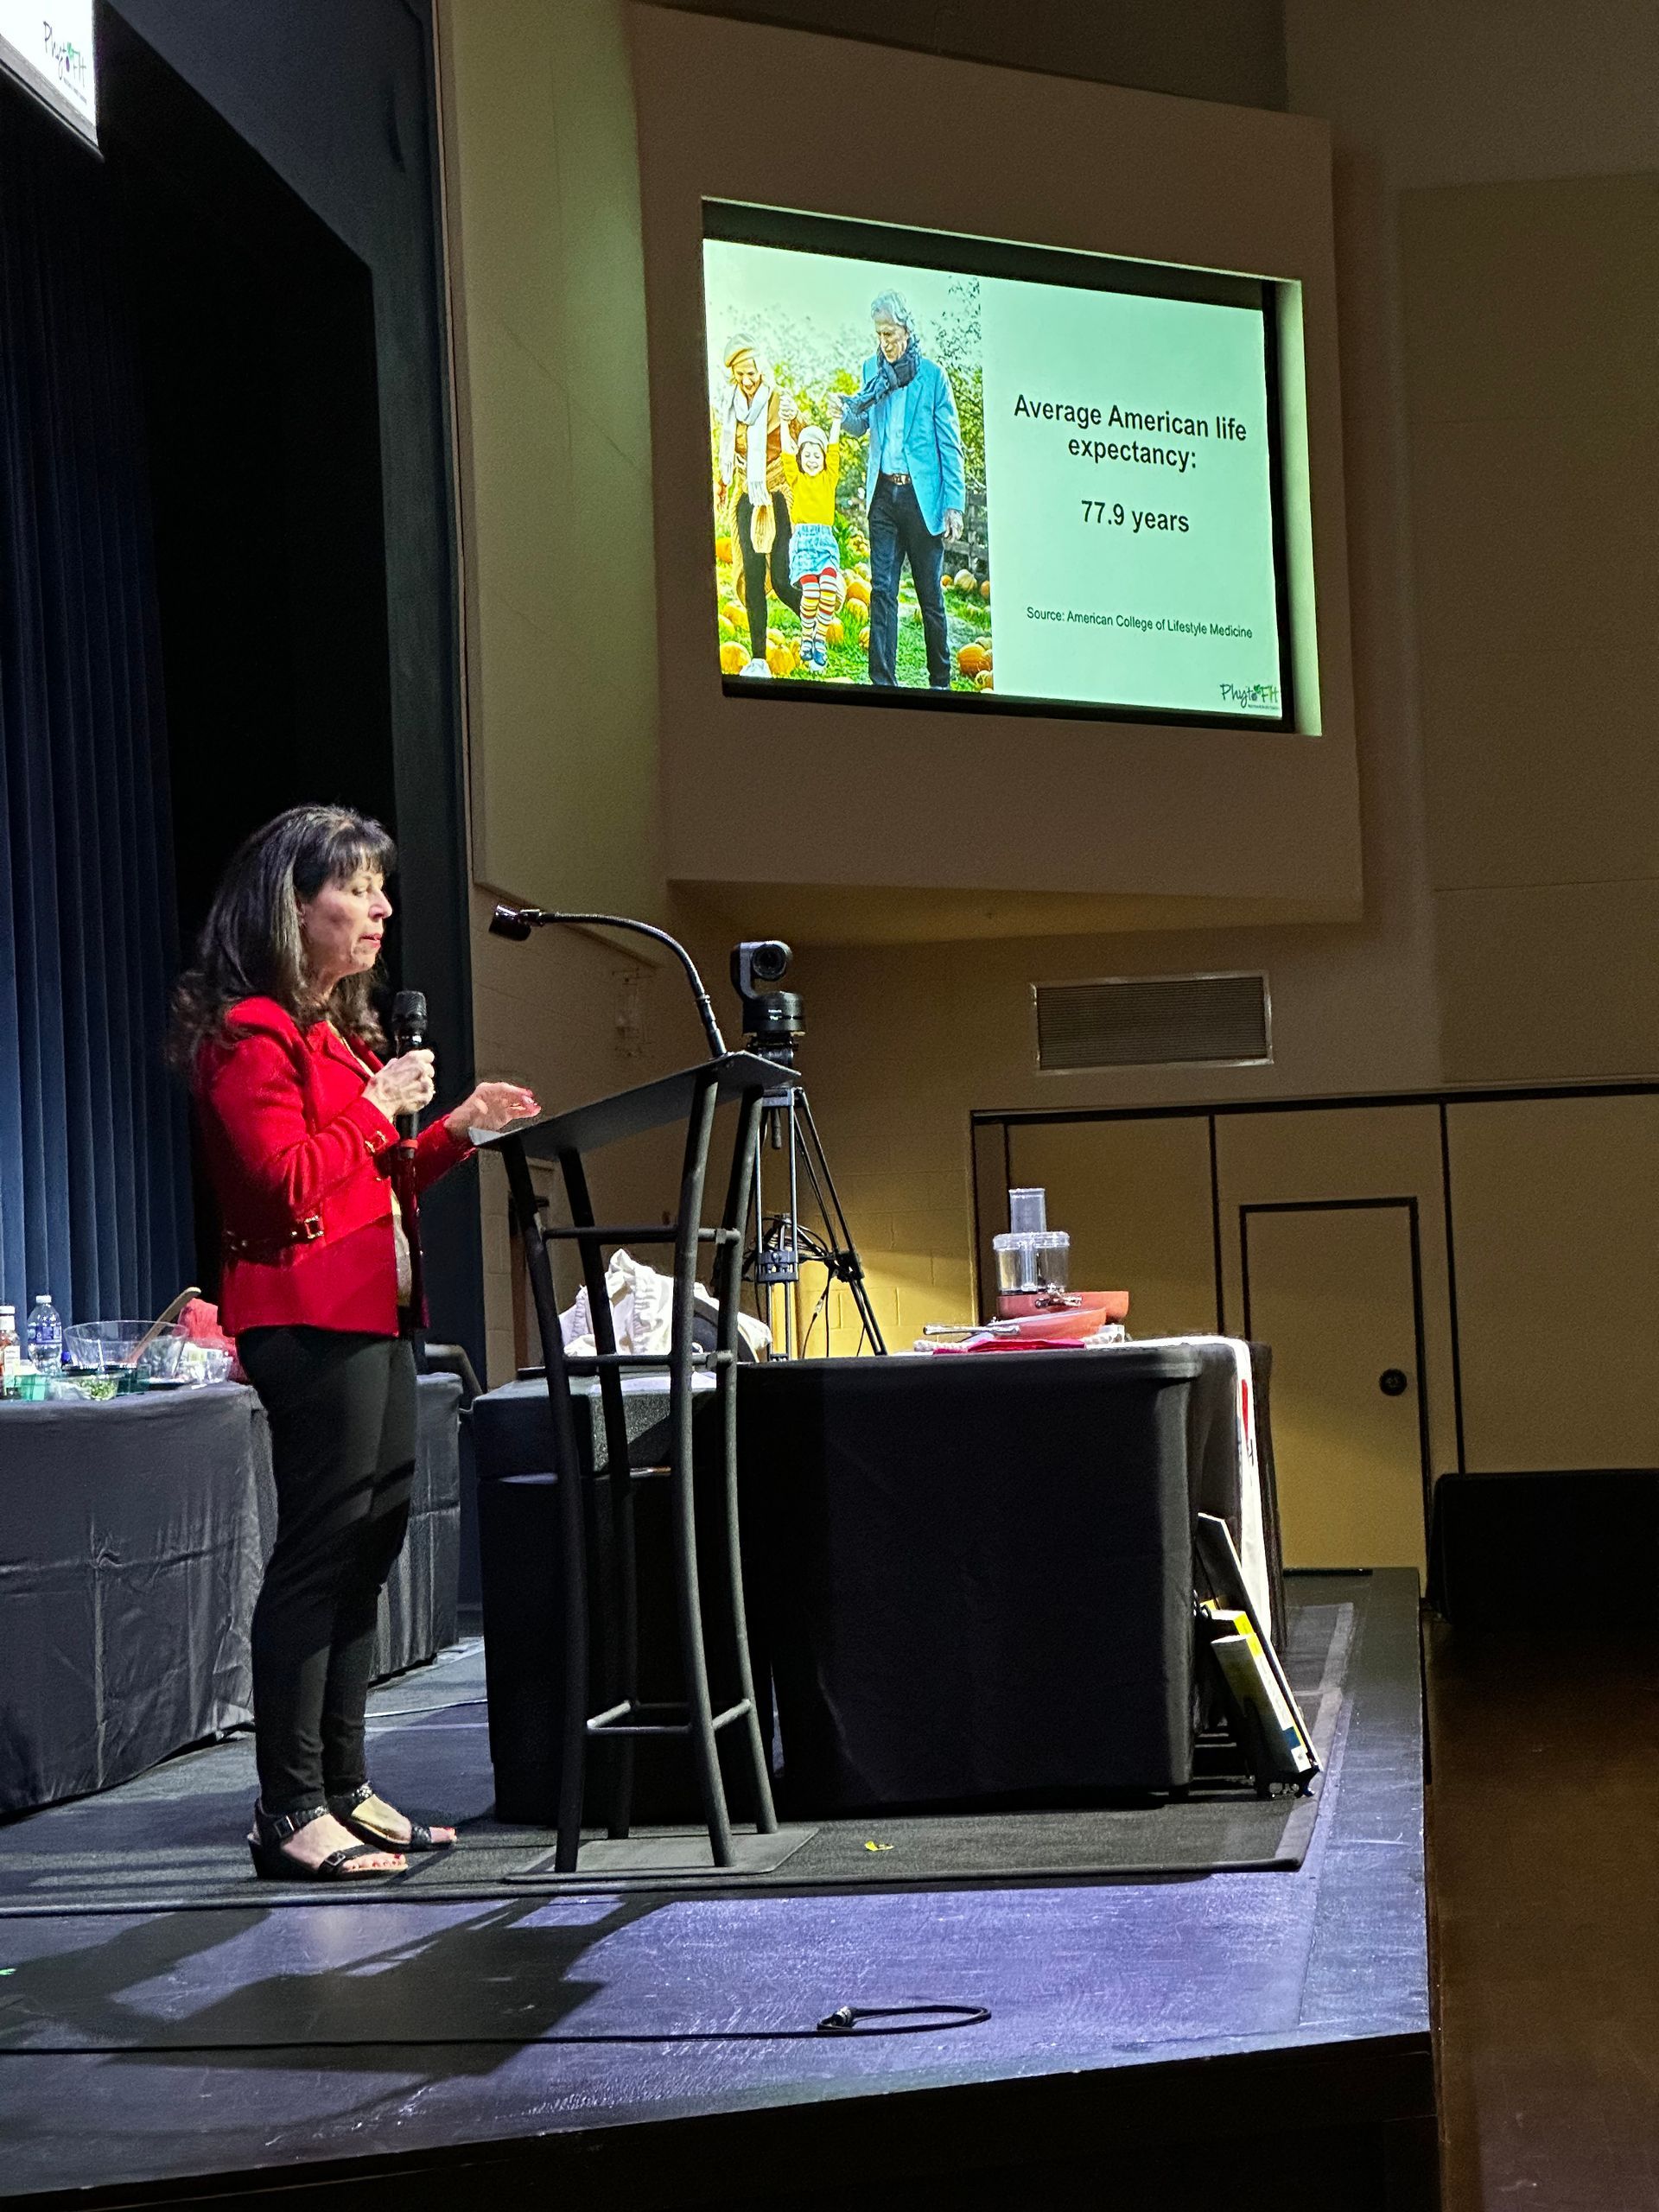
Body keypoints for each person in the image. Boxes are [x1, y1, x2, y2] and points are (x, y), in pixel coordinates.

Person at [170, 805, 538, 1881]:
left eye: (384, 889)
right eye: (358, 890)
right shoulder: (250, 1033)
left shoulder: (333, 1035)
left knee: (367, 1554)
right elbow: (283, 1185)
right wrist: (381, 1106)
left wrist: (452, 1130)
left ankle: (343, 1785)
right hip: (305, 1318)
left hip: (376, 1315)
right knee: (318, 1559)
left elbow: (366, 1183)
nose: (381, 909)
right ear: (293, 907)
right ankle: (288, 1808)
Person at [839, 290, 965, 690]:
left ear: (907, 330)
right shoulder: (869, 371)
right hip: (883, 498)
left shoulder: (932, 377)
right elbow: (861, 427)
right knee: (881, 592)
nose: (885, 343)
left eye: (890, 333)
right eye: (879, 334)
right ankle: (883, 684)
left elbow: (950, 445)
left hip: (921, 499)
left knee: (931, 598)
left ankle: (940, 683)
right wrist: (843, 416)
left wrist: (954, 505)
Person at [715, 335, 803, 675]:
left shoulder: (780, 401)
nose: (747, 381)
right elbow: (729, 453)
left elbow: (809, 439)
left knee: (781, 581)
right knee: (752, 579)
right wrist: (722, 484)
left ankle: (816, 623)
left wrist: (796, 422)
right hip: (747, 496)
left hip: (777, 493)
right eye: (740, 375)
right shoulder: (731, 405)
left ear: (761, 369)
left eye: (751, 373)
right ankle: (758, 658)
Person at [779, 401, 843, 672]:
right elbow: (786, 453)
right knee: (812, 591)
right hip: (804, 543)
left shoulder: (830, 478)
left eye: (817, 455)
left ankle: (819, 638)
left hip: (825, 543)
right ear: (801, 458)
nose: (813, 459)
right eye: (807, 455)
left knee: (828, 588)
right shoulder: (797, 479)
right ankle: (806, 636)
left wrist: (837, 421)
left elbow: (834, 448)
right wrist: (784, 423)